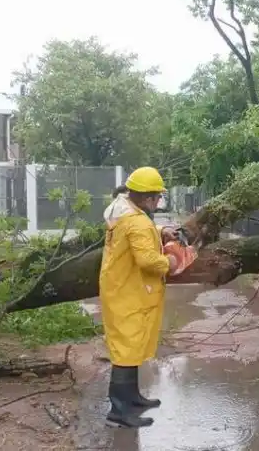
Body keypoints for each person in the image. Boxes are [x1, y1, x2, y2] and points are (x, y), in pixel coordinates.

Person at [99, 167, 179, 428]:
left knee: (131, 347)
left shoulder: (123, 210)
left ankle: (132, 398)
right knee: (125, 351)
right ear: (147, 199)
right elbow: (147, 261)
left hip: (122, 288)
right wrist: (170, 260)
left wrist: (160, 231)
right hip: (127, 292)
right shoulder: (137, 222)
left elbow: (139, 229)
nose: (158, 202)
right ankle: (118, 412)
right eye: (157, 197)